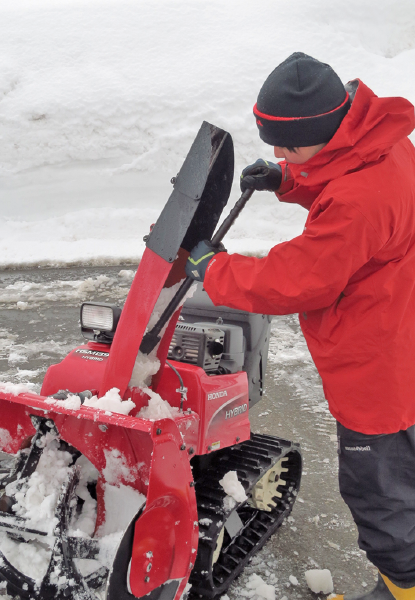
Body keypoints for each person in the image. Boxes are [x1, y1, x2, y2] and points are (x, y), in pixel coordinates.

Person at [185, 52, 415, 600]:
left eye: (288, 147)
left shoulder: (359, 200)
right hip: (402, 329)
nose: (279, 153)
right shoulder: (382, 142)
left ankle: (403, 589)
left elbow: (297, 281)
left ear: (324, 130)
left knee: (378, 491)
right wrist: (286, 179)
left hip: (377, 364)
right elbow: (343, 175)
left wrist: (213, 269)